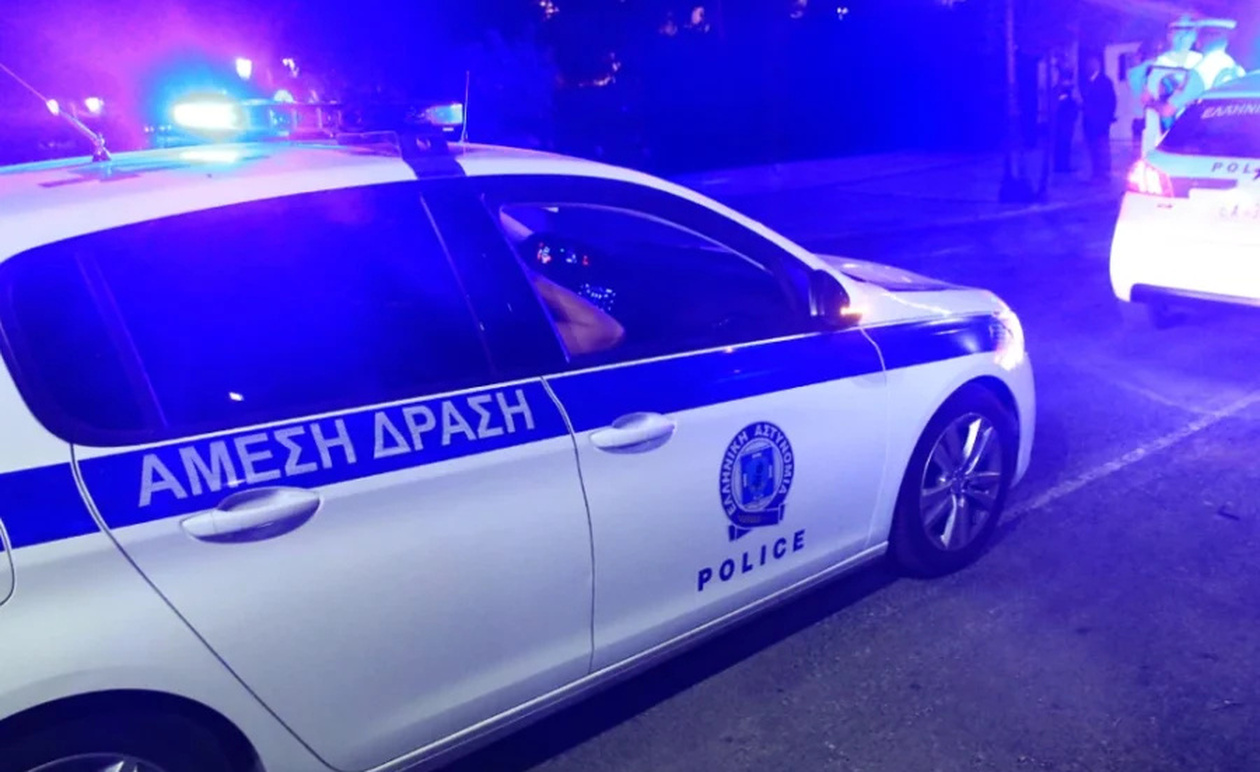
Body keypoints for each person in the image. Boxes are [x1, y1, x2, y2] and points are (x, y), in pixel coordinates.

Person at [1131, 16, 1202, 155]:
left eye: (1188, 32)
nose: (1183, 37)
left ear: (1194, 36)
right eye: (1177, 32)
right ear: (1169, 35)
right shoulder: (1156, 65)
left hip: (1196, 132)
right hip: (1163, 130)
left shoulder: (1202, 62)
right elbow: (1145, 99)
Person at [1159, 20, 1246, 122]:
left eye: (1199, 34)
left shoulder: (1201, 69)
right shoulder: (1238, 70)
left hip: (1197, 129)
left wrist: (1151, 103)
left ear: (1206, 37)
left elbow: (1168, 110)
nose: (1196, 40)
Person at [1081, 55, 1117, 181]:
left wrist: (1107, 118)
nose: (1087, 68)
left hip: (1100, 121)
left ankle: (1102, 174)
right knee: (1093, 148)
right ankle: (1096, 173)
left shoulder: (1104, 82)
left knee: (1100, 147)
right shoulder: (1088, 81)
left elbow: (1111, 101)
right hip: (1090, 120)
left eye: (1090, 65)